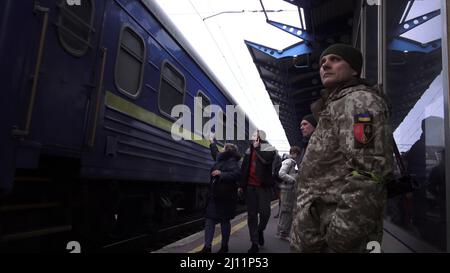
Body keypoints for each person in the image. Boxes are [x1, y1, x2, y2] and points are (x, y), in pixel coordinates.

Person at [290, 44, 394, 252]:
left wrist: (340, 235)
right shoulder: (336, 105)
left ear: (354, 69)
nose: (325, 65)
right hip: (317, 236)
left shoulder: (359, 103)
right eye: (322, 62)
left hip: (335, 242)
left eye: (335, 59)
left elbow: (369, 170)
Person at [198, 136, 241, 253]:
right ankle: (208, 247)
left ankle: (223, 247)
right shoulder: (221, 159)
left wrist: (221, 173)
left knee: (224, 221)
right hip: (216, 194)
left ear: (227, 151)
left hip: (225, 196)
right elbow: (215, 153)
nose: (221, 150)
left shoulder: (232, 161)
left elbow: (237, 174)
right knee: (210, 220)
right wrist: (212, 142)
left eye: (223, 148)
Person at [239, 130, 278, 253]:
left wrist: (257, 149)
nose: (252, 138)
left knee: (265, 213)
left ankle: (260, 230)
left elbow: (266, 160)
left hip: (263, 186)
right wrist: (241, 185)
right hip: (250, 186)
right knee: (252, 216)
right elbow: (244, 167)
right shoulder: (248, 150)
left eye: (254, 136)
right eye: (252, 137)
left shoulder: (268, 148)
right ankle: (254, 243)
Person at [276, 146, 301, 240]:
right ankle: (283, 233)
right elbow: (281, 173)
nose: (297, 156)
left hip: (288, 189)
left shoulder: (290, 162)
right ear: (294, 153)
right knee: (286, 211)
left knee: (286, 210)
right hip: (287, 189)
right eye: (297, 154)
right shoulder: (289, 162)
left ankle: (282, 232)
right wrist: (293, 180)